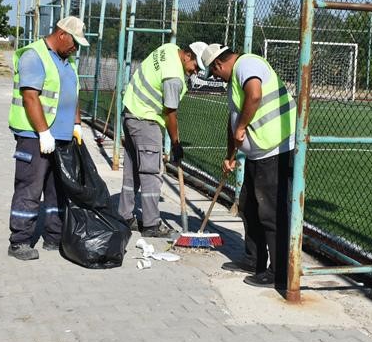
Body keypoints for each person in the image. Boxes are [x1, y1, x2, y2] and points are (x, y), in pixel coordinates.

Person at [201, 44, 296, 288]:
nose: (218, 80)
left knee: (271, 211)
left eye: (215, 74)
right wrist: (230, 154)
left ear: (218, 65)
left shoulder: (247, 65)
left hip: (275, 148)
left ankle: (279, 271)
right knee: (249, 206)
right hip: (258, 151)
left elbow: (254, 95)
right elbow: (232, 120)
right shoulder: (235, 80)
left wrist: (242, 128)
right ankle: (254, 260)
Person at [7, 16, 90, 260]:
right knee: (30, 187)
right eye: (74, 42)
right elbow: (30, 97)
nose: (75, 47)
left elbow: (73, 94)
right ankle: (19, 241)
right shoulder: (34, 56)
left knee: (57, 190)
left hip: (62, 138)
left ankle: (54, 237)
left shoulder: (68, 61)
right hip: (35, 136)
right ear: (62, 34)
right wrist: (43, 132)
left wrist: (76, 125)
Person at [118, 41, 208, 237]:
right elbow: (170, 113)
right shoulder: (174, 78)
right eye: (195, 67)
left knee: (131, 171)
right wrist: (176, 143)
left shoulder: (168, 48)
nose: (195, 72)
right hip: (146, 120)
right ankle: (151, 224)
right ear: (188, 56)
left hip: (130, 112)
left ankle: (124, 216)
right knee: (151, 173)